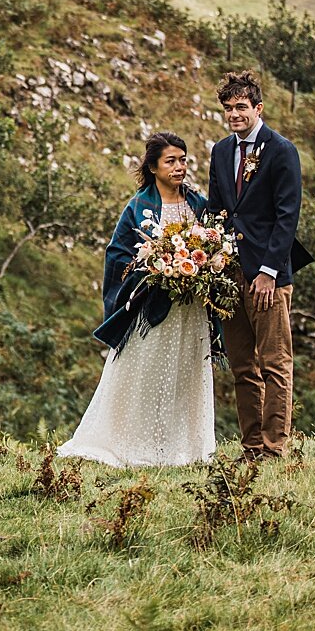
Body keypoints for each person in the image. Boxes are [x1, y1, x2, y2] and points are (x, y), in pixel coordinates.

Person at [58, 132, 216, 467]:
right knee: (147, 372)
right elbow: (117, 253)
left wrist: (202, 266)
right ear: (154, 166)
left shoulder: (198, 204)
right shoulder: (138, 206)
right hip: (151, 305)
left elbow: (213, 242)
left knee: (185, 373)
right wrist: (151, 266)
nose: (179, 167)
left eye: (183, 160)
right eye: (171, 161)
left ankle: (182, 447)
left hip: (191, 308)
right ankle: (136, 442)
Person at [206, 71, 311, 460]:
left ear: (258, 108)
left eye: (241, 107)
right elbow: (217, 210)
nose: (234, 114)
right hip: (229, 274)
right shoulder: (220, 151)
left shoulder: (281, 150)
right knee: (242, 365)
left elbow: (288, 216)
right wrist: (211, 261)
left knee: (274, 362)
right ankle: (250, 446)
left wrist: (268, 272)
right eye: (228, 108)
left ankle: (274, 446)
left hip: (267, 275)